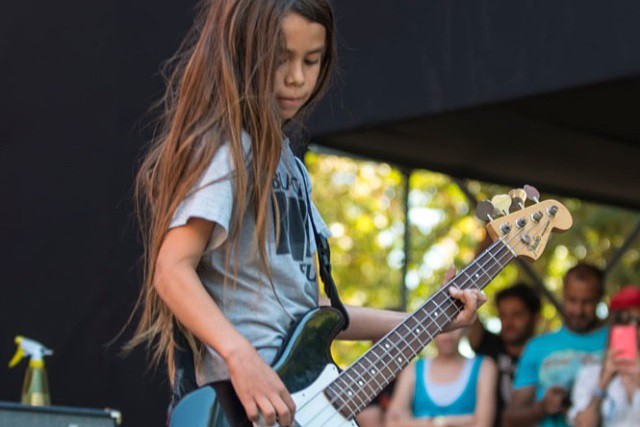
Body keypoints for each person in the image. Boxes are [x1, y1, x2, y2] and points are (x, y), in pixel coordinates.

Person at [125, 1, 486, 426]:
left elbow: (306, 311)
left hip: (295, 406)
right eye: (280, 59)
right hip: (240, 408)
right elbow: (171, 269)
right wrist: (241, 357)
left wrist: (431, 319)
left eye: (311, 61)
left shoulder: (291, 167)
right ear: (243, 52)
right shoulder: (231, 148)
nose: (297, 77)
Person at [504, 263, 609, 427]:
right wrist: (542, 407)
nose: (578, 310)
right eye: (572, 300)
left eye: (587, 302)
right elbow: (510, 418)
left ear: (600, 298)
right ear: (563, 295)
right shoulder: (537, 346)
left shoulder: (616, 340)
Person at [385, 328, 497, 427]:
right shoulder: (413, 369)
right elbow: (392, 423)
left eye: (454, 327)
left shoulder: (485, 366)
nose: (448, 335)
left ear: (465, 327)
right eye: (442, 327)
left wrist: (416, 422)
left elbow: (483, 424)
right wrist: (449, 421)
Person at [469, 283, 542, 427]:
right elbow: (467, 301)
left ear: (535, 317)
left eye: (516, 315)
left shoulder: (547, 352)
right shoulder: (490, 346)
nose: (508, 322)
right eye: (503, 315)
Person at [569, 285, 640, 427]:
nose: (632, 328)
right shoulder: (590, 373)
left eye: (638, 322)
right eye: (623, 321)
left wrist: (636, 385)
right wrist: (603, 381)